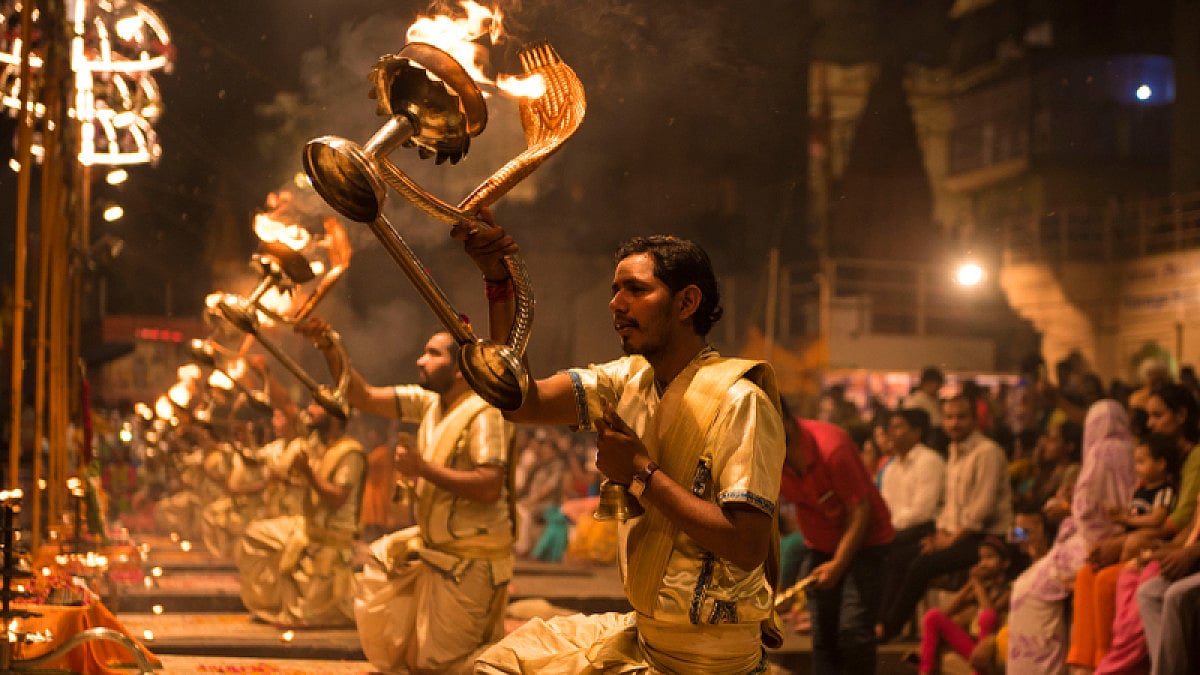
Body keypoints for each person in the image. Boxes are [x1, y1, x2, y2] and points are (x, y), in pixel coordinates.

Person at [463, 229, 787, 674]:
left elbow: (748, 546)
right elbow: (520, 402)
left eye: (636, 289)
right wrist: (500, 287)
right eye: (616, 290)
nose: (616, 303)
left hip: (709, 658)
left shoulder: (741, 401)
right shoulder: (625, 381)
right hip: (647, 636)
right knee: (502, 662)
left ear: (686, 303)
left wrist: (640, 471)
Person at [296, 318, 516, 674]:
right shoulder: (429, 403)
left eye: (432, 353)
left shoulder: (484, 411)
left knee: (445, 665)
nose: (420, 360)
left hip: (471, 561)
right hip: (438, 550)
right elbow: (360, 396)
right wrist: (329, 345)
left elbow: (490, 486)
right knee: (417, 651)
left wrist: (422, 469)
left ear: (459, 369)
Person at [1005, 400, 1136, 673]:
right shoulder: (1132, 450)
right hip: (1080, 535)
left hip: (1079, 540)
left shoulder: (1094, 457)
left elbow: (1086, 509)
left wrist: (1064, 508)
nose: (1046, 444)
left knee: (1025, 587)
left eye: (1053, 440)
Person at [879, 395, 1012, 642]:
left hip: (988, 540)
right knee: (898, 558)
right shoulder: (954, 452)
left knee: (921, 565)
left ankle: (889, 628)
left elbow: (980, 512)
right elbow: (950, 506)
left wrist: (949, 541)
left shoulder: (987, 452)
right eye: (949, 417)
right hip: (959, 535)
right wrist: (939, 535)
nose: (954, 423)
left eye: (961, 417)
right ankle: (881, 623)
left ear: (974, 419)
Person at [779, 400, 895, 674]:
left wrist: (838, 564)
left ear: (783, 418)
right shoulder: (767, 451)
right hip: (820, 544)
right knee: (824, 634)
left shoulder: (832, 447)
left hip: (867, 542)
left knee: (854, 631)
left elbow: (859, 511)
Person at [237, 400, 365, 627]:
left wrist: (308, 474)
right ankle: (272, 603)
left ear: (335, 417)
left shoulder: (350, 452)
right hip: (306, 528)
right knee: (255, 535)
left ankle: (297, 603)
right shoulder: (317, 446)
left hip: (331, 538)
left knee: (309, 615)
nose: (310, 411)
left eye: (317, 407)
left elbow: (337, 498)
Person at [876, 408, 945, 640]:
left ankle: (887, 625)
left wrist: (889, 530)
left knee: (895, 557)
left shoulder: (929, 461)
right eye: (890, 428)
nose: (891, 433)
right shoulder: (891, 467)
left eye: (898, 427)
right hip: (897, 531)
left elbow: (922, 511)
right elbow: (884, 507)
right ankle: (870, 621)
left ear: (916, 432)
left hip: (923, 529)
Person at [912, 536, 1012, 674]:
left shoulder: (1011, 589)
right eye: (981, 559)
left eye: (989, 557)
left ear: (1005, 563)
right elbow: (947, 612)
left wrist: (977, 584)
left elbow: (990, 613)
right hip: (974, 646)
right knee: (933, 616)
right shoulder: (984, 589)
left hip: (993, 647)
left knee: (987, 617)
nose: (983, 563)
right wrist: (969, 584)